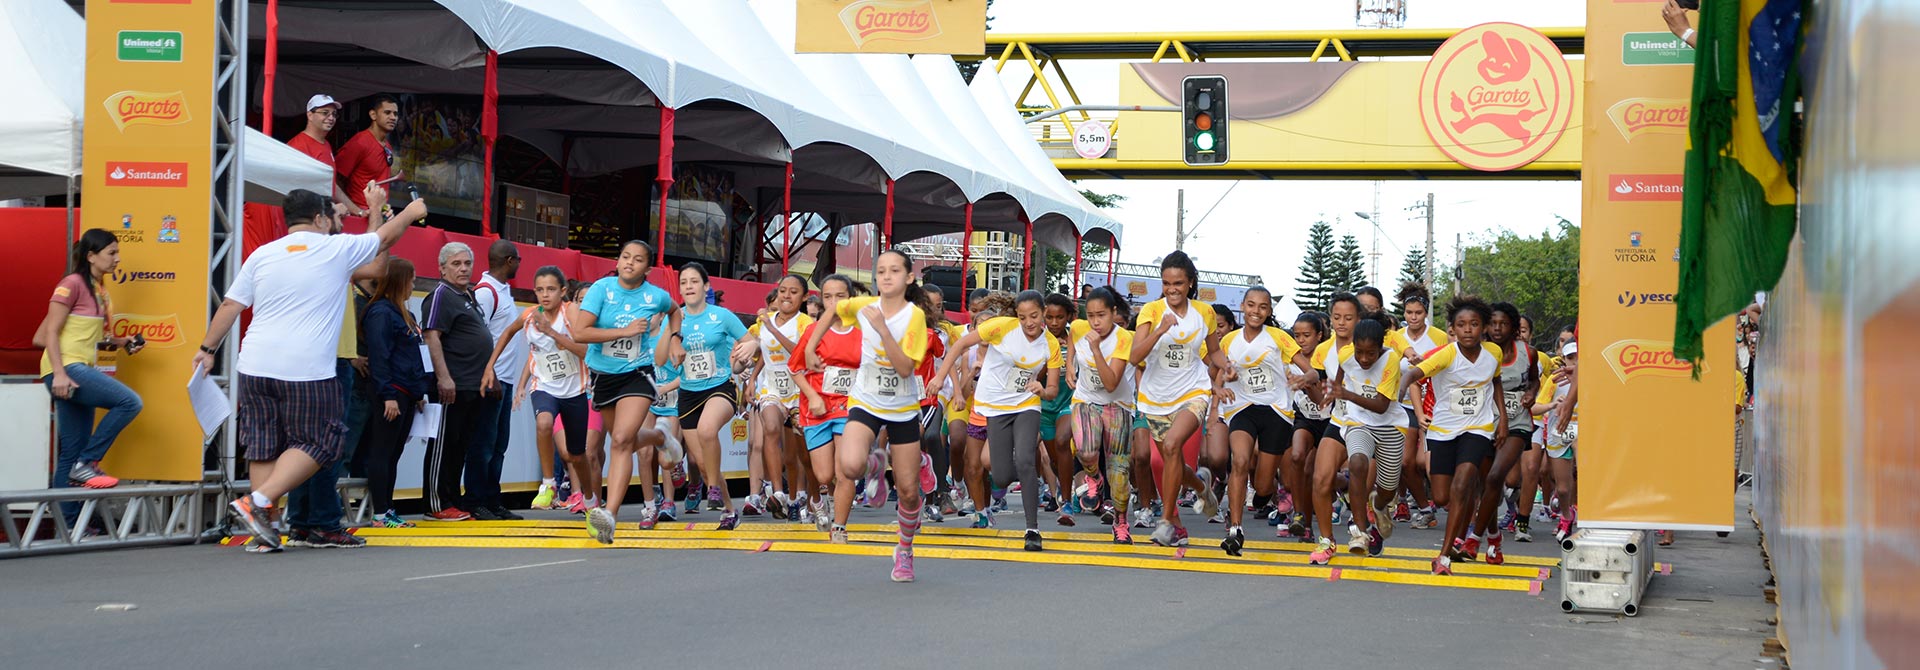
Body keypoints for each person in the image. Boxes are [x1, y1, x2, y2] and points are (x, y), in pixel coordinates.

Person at [194, 185, 423, 551]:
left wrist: (207, 349)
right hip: (305, 367)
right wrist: (406, 211)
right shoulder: (333, 248)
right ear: (319, 218)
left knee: (264, 446)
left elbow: (230, 306)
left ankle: (264, 529)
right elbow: (383, 240)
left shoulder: (262, 255)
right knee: (322, 440)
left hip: (253, 363)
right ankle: (256, 502)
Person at [804, 250, 932, 581]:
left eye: (894, 271)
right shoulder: (864, 306)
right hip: (865, 400)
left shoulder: (913, 317)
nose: (886, 277)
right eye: (880, 271)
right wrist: (809, 348)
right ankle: (876, 462)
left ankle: (904, 551)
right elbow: (833, 310)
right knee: (848, 466)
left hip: (902, 407)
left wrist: (883, 330)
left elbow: (905, 368)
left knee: (908, 492)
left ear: (908, 278)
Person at [934, 290, 1063, 551]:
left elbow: (1052, 390)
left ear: (1043, 315)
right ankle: (1028, 476)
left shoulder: (1051, 344)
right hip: (994, 406)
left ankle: (1032, 530)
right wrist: (940, 378)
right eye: (1023, 316)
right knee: (1002, 476)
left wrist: (1041, 388)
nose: (1029, 323)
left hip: (1026, 403)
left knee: (1026, 460)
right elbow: (959, 345)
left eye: (1034, 316)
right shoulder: (1000, 328)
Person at [572, 240, 681, 542]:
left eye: (638, 259)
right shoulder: (601, 290)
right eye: (625, 257)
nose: (630, 263)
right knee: (624, 439)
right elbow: (580, 332)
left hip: (637, 373)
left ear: (648, 267)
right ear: (618, 261)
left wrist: (675, 339)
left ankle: (610, 514)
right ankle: (660, 436)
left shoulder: (655, 296)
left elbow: (675, 312)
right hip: (603, 374)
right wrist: (624, 331)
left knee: (620, 440)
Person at [1396, 296, 1505, 575]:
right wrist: (1409, 399)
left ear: (1483, 328)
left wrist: (1501, 417)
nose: (1468, 329)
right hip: (1443, 429)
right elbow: (1413, 375)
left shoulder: (1494, 352)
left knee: (1464, 480)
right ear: (1453, 329)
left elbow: (1495, 380)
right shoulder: (1445, 354)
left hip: (1478, 427)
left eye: (1474, 324)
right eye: (1461, 325)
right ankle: (1477, 522)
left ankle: (1443, 556)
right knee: (1444, 496)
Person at [37, 229, 144, 501]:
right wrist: (60, 374)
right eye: (112, 253)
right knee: (130, 402)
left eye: (118, 252)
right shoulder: (71, 283)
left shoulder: (99, 289)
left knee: (70, 453)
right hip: (67, 369)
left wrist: (123, 342)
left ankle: (68, 528)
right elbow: (47, 333)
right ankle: (87, 463)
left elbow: (94, 336)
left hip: (77, 369)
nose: (118, 259)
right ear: (91, 256)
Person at [1127, 251, 1223, 548]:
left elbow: (1214, 351)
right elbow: (1134, 357)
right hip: (1156, 397)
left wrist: (1226, 365)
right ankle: (1200, 488)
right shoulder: (1151, 312)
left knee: (1171, 447)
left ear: (1190, 283)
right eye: (1167, 283)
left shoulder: (1204, 312)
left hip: (1193, 391)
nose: (1172, 289)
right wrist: (1160, 330)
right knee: (1172, 463)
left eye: (1178, 283)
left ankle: (1167, 521)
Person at [483, 265, 595, 518]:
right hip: (544, 386)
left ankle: (589, 498)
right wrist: (490, 366)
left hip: (574, 390)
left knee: (576, 455)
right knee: (543, 423)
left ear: (563, 291)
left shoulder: (572, 313)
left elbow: (586, 352)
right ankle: (548, 483)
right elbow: (507, 334)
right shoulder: (531, 315)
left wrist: (551, 332)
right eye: (540, 290)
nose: (545, 295)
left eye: (551, 290)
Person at [1213, 286, 1311, 555]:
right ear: (1242, 306)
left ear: (1269, 311)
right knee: (1240, 461)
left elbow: (1310, 370)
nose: (1256, 311)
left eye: (1263, 307)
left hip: (1276, 412)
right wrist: (1217, 388)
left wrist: (1305, 378)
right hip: (1241, 407)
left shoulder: (1279, 338)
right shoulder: (1229, 340)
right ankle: (1235, 529)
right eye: (1251, 305)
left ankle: (1265, 495)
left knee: (1263, 484)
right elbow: (1213, 372)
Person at [1311, 313, 1408, 562]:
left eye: (1370, 354)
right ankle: (1360, 532)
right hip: (1358, 422)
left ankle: (1379, 504)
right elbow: (1341, 376)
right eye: (1360, 352)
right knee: (1356, 463)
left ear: (1380, 348)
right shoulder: (1346, 355)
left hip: (1390, 425)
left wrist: (1346, 393)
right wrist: (1334, 392)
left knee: (1387, 490)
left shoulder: (1391, 360)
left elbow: (1381, 406)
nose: (1364, 359)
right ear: (1353, 346)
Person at [416, 242, 502, 522]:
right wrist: (443, 377)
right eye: (456, 264)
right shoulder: (441, 295)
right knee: (443, 445)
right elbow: (431, 336)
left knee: (460, 446)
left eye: (467, 263)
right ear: (441, 268)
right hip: (452, 385)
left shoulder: (467, 295)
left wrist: (491, 376)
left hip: (472, 386)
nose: (463, 268)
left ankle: (453, 499)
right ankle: (436, 502)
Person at [1458, 302, 1538, 566]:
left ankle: (1474, 538)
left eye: (1503, 323)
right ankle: (1494, 539)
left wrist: (1531, 393)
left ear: (1513, 327)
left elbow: (1534, 378)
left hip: (1517, 424)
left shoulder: (1528, 352)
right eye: (1492, 323)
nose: (1497, 328)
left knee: (1495, 477)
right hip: (1483, 422)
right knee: (1482, 484)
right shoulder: (1478, 353)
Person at [672, 263, 752, 530]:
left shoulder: (722, 316)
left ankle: (714, 489)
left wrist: (750, 346)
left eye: (694, 281)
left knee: (708, 430)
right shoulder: (676, 320)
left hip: (720, 387)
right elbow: (662, 356)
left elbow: (752, 340)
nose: (689, 286)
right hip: (688, 393)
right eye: (684, 282)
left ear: (706, 286)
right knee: (704, 466)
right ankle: (729, 510)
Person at [359, 258, 428, 528]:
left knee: (394, 452)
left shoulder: (403, 314)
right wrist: (387, 394)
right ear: (400, 280)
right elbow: (380, 356)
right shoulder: (381, 312)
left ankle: (388, 509)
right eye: (411, 279)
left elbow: (413, 355)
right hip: (392, 393)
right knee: (383, 451)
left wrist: (419, 391)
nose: (413, 284)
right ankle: (380, 512)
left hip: (407, 393)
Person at [793, 274, 863, 534]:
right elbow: (795, 369)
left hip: (849, 406)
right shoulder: (813, 331)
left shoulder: (862, 329)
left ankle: (839, 527)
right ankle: (818, 499)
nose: (833, 302)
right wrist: (812, 396)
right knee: (823, 475)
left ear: (850, 299)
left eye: (840, 296)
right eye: (828, 296)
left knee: (844, 470)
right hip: (817, 407)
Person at [1067, 288, 1135, 542]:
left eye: (1102, 315)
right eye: (1091, 316)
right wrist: (1069, 366)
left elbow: (1110, 383)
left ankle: (1121, 522)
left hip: (1117, 404)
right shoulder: (1079, 327)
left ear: (1113, 313)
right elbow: (1073, 335)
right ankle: (1095, 478)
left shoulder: (1123, 339)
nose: (1095, 322)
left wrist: (1095, 350)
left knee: (1118, 472)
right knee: (1085, 451)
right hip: (1086, 400)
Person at [744, 274, 813, 520]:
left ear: (804, 297)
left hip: (799, 392)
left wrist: (772, 328)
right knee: (770, 428)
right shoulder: (764, 322)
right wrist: (752, 379)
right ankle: (779, 493)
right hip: (772, 389)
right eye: (783, 290)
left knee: (800, 455)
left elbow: (799, 353)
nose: (786, 295)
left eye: (793, 292)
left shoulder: (806, 323)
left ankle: (813, 497)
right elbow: (764, 351)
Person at [473, 240, 525, 518]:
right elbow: (478, 337)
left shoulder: (502, 291)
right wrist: (487, 373)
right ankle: (477, 499)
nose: (520, 263)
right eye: (518, 259)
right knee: (484, 443)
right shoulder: (486, 292)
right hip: (492, 380)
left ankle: (493, 499)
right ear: (508, 260)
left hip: (503, 380)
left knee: (498, 444)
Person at [1393, 282, 1447, 525]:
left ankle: (1441, 501)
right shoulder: (1395, 339)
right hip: (1401, 407)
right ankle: (1424, 509)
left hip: (1433, 407)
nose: (1413, 317)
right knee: (1404, 462)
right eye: (1409, 313)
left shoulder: (1439, 337)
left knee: (1422, 462)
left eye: (1418, 313)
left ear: (1426, 313)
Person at [1278, 312, 1331, 540]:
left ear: (1319, 335)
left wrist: (1307, 384)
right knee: (1297, 456)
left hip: (1329, 420)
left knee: (1314, 472)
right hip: (1304, 418)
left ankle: (1343, 486)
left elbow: (1321, 400)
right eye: (1297, 335)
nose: (1301, 340)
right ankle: (1300, 518)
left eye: (1306, 335)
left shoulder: (1329, 359)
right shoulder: (1290, 361)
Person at [1038, 293, 1082, 523]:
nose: (1054, 323)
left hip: (1069, 402)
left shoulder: (1076, 340)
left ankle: (1066, 503)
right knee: (1055, 458)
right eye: (1050, 317)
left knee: (1064, 441)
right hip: (1044, 406)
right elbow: (1035, 377)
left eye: (1060, 317)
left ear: (1069, 318)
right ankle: (1070, 489)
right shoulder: (1037, 340)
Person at [333, 94, 400, 215]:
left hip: (379, 213)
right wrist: (354, 210)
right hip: (360, 215)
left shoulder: (387, 145)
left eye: (395, 114)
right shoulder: (359, 142)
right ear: (373, 115)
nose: (393, 117)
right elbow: (335, 180)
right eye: (387, 112)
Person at [1544, 341, 1580, 543]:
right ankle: (1567, 515)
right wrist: (1553, 404)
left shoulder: (1595, 378)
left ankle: (1588, 518)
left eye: (1578, 357)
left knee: (1586, 473)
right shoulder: (1555, 380)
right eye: (1570, 357)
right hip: (1560, 433)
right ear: (1563, 359)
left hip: (1585, 433)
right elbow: (1535, 408)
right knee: (1564, 488)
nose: (1575, 362)